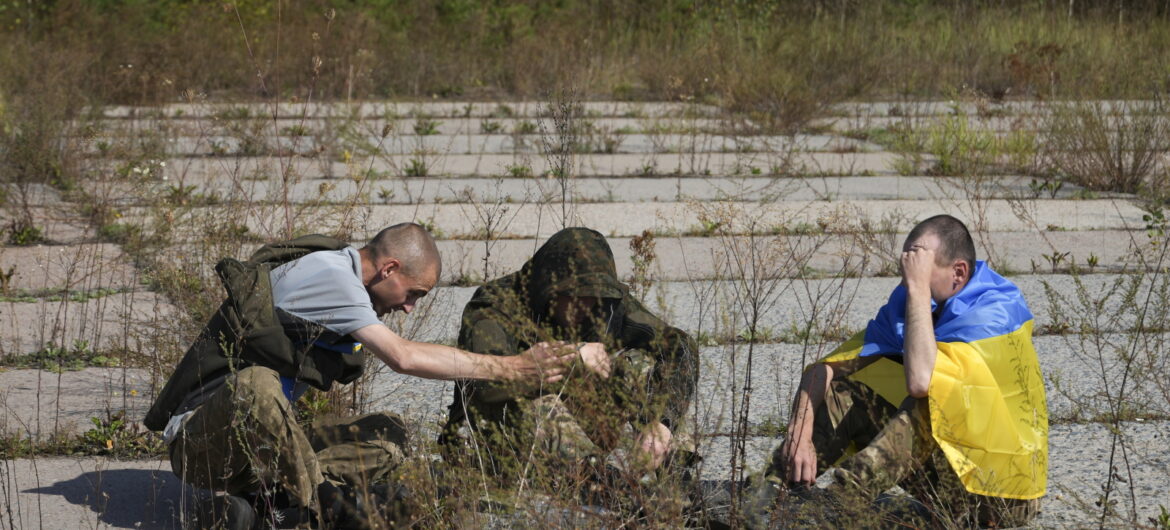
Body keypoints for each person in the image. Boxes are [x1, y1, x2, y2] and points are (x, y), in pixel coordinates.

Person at [144, 223, 576, 529]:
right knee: (256, 383)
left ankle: (257, 510)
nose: (409, 307)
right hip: (204, 447)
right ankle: (328, 508)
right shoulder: (332, 278)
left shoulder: (343, 274)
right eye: (412, 294)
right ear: (389, 269)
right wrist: (516, 366)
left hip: (262, 451)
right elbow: (403, 358)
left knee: (389, 433)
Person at [748, 215, 1048, 528]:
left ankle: (840, 502)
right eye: (907, 271)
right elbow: (826, 368)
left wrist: (919, 290)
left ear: (959, 272)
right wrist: (799, 433)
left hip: (999, 498)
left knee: (934, 400)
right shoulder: (917, 297)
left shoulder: (995, 314)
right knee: (848, 394)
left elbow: (922, 384)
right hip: (949, 475)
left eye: (920, 271)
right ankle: (773, 494)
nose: (908, 284)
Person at [441, 227, 699, 496]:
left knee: (640, 364)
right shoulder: (495, 305)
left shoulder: (604, 302)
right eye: (574, 299)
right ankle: (602, 485)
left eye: (594, 299)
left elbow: (679, 346)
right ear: (549, 291)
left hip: (576, 423)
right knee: (542, 403)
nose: (586, 309)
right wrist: (573, 355)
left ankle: (666, 471)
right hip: (494, 432)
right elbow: (488, 382)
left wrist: (661, 422)